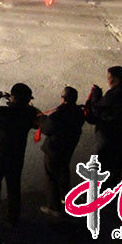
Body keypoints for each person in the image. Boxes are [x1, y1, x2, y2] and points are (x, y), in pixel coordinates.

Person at [0, 83, 40, 229]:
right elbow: (37, 121)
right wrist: (23, 105)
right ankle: (13, 219)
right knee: (14, 188)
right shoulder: (29, 113)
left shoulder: (2, 112)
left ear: (13, 97)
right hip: (16, 156)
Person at [85, 66, 122, 185]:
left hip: (107, 138)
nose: (108, 81)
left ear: (115, 80)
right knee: (116, 168)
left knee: (99, 168)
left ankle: (97, 195)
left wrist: (95, 96)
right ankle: (112, 195)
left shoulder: (112, 95)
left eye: (109, 78)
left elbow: (96, 110)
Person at [38, 87, 85, 216]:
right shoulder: (79, 112)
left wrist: (41, 118)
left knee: (51, 176)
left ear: (63, 98)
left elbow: (47, 128)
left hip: (54, 148)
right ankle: (66, 198)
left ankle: (54, 207)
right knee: (64, 171)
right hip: (68, 147)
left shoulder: (59, 114)